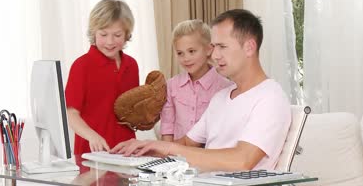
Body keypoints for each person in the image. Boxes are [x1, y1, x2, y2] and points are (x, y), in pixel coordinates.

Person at [111, 9, 291, 172]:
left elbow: (242, 160)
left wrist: (170, 148)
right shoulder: (221, 98)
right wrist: (146, 148)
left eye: (222, 47)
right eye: (214, 47)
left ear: (249, 47)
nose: (215, 55)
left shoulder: (270, 97)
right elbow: (188, 143)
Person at [65, 0, 139, 155]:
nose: (110, 42)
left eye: (117, 35)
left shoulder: (131, 65)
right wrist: (92, 136)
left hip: (127, 152)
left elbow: (132, 113)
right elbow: (71, 114)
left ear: (127, 35)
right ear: (94, 33)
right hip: (92, 153)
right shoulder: (81, 66)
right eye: (103, 34)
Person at [160, 20, 232, 142]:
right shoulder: (171, 85)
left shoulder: (225, 87)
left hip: (209, 156)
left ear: (209, 49)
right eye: (180, 53)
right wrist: (167, 157)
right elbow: (167, 125)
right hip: (177, 156)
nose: (186, 58)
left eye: (191, 51)